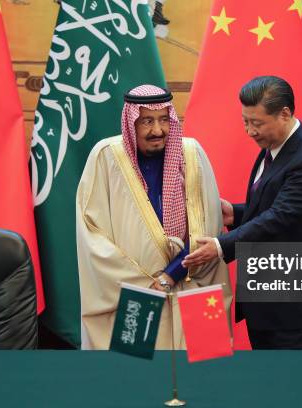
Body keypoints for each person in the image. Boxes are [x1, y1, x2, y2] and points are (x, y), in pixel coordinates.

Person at [183, 76, 302, 349]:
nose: (249, 131)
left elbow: (279, 217)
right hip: (268, 307)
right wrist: (235, 212)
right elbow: (275, 207)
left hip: (298, 314)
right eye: (245, 121)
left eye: (257, 123)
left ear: (285, 114)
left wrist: (220, 246)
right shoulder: (275, 147)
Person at [76, 84, 231, 350]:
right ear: (130, 122)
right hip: (137, 292)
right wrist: (147, 282)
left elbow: (209, 228)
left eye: (163, 120)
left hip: (193, 286)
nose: (157, 131)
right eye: (147, 121)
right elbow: (92, 234)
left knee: (205, 373)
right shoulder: (106, 157)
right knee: (135, 377)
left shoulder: (192, 154)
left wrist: (172, 273)